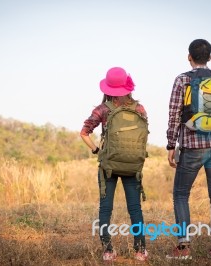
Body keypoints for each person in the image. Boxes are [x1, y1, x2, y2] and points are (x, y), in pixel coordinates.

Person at [165, 39, 211, 260]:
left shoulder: (182, 80)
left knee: (181, 194)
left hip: (192, 146)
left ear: (189, 57)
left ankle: (183, 248)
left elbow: (175, 114)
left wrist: (170, 144)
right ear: (210, 58)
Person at [80, 67, 148, 262]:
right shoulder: (139, 109)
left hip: (108, 165)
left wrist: (96, 150)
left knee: (105, 209)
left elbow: (84, 132)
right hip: (133, 166)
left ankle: (108, 251)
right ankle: (140, 251)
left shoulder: (103, 109)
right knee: (135, 209)